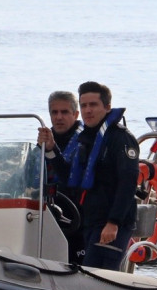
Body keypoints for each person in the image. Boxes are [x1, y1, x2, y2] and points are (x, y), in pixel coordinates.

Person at [50, 81, 139, 270]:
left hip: (111, 224)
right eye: (84, 106)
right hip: (90, 221)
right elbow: (71, 178)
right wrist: (51, 150)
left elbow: (128, 183)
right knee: (87, 272)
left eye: (93, 105)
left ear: (107, 107)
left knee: (99, 277)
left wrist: (113, 223)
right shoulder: (87, 139)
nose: (87, 110)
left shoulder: (120, 139)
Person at [37, 90, 84, 263]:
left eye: (64, 112)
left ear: (75, 114)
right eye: (54, 112)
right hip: (48, 212)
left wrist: (51, 150)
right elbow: (32, 171)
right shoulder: (44, 139)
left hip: (77, 214)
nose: (59, 117)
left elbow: (71, 176)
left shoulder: (85, 141)